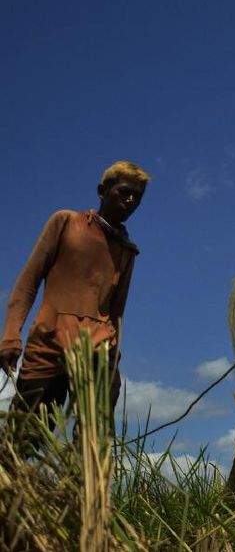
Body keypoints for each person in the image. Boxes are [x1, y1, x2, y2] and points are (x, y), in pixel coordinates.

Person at [0, 161, 149, 449]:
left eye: (138, 197)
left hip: (98, 349)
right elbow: (28, 282)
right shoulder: (65, 223)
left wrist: (113, 354)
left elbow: (117, 312)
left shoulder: (127, 251)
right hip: (49, 343)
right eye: (124, 192)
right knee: (26, 436)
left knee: (94, 437)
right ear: (102, 191)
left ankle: (86, 489)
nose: (130, 200)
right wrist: (10, 336)